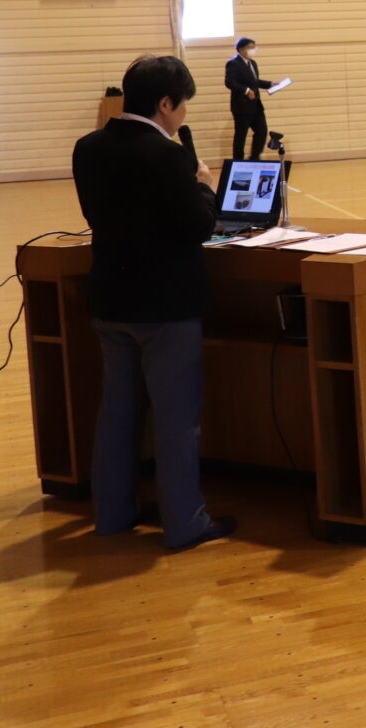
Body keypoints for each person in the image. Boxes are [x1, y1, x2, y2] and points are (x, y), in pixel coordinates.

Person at [71, 55, 234, 551]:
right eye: (182, 106)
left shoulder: (88, 147)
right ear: (166, 104)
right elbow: (198, 228)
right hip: (165, 304)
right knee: (175, 417)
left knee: (117, 410)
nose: (183, 116)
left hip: (109, 297)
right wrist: (204, 187)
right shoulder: (167, 156)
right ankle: (186, 522)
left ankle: (112, 515)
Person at [224, 37, 280, 161]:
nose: (253, 50)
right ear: (240, 49)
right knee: (241, 135)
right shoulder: (233, 63)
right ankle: (238, 161)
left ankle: (254, 158)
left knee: (262, 130)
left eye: (254, 47)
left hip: (256, 105)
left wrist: (270, 84)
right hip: (242, 106)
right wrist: (246, 91)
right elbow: (229, 82)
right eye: (250, 47)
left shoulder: (253, 63)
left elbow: (254, 82)